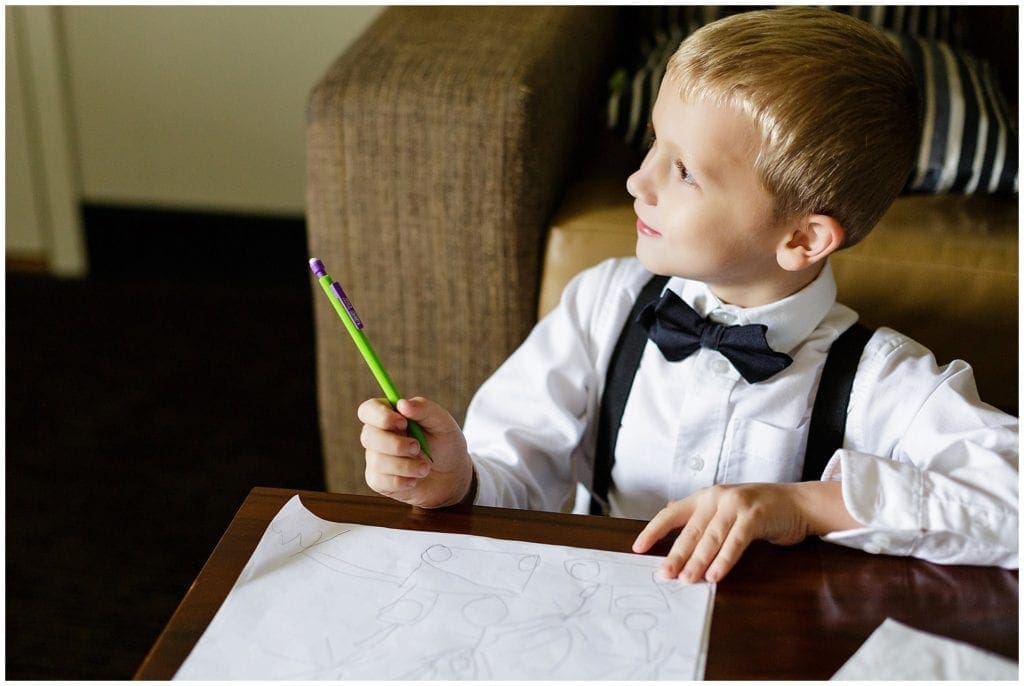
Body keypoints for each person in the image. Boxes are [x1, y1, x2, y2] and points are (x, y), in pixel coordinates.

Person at [356, 7, 1019, 583]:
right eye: (653, 144)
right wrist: (455, 479)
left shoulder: (882, 381)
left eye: (684, 172)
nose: (637, 181)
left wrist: (811, 504)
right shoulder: (603, 307)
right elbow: (514, 471)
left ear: (802, 237)